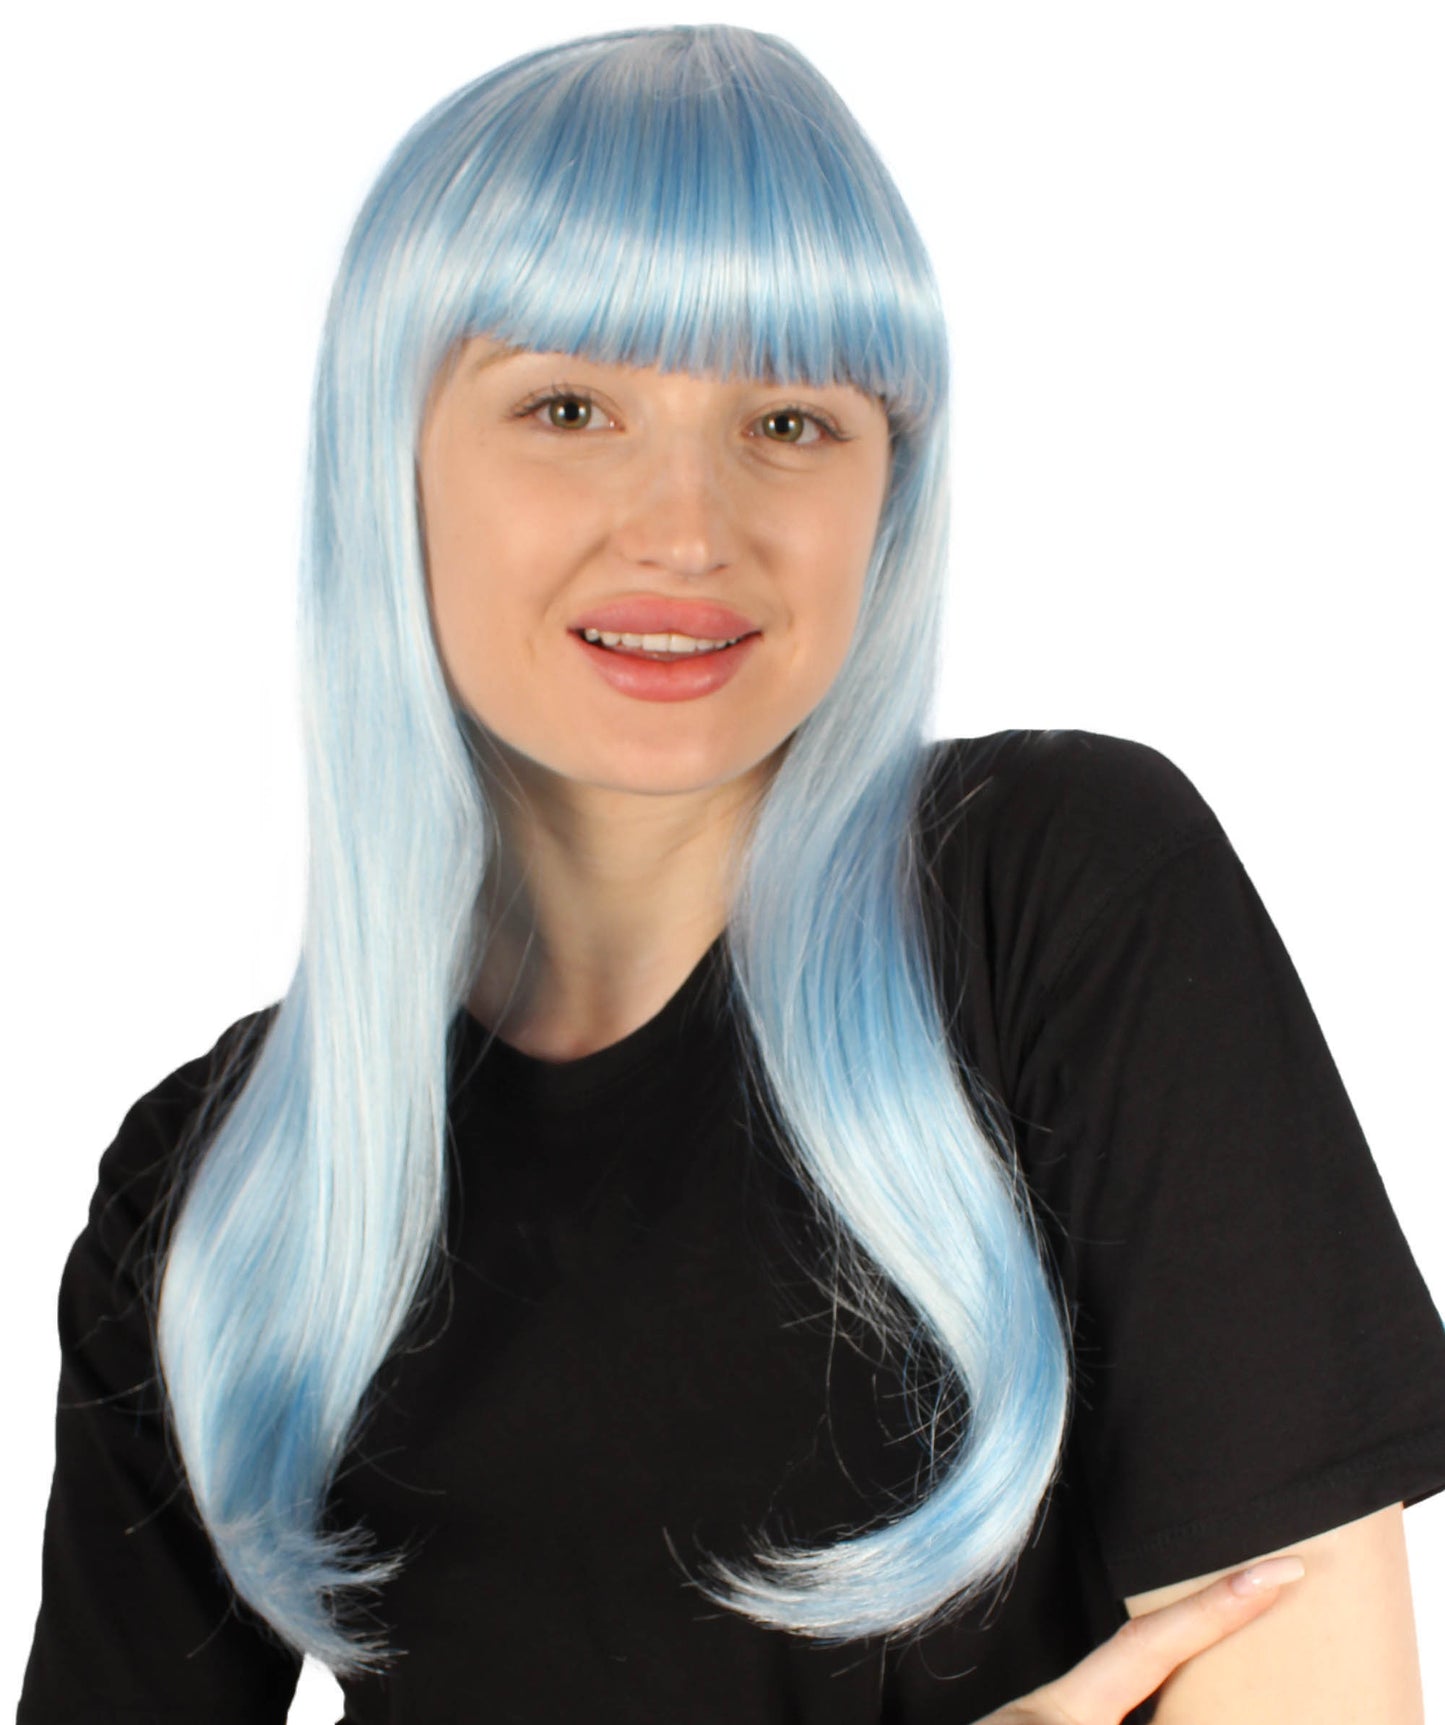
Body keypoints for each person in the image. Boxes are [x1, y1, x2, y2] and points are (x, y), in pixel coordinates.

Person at [16, 23, 1445, 1725]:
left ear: (886, 495)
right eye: (569, 406)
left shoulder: (1061, 903)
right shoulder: (217, 1193)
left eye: (787, 418)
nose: (687, 527)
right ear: (385, 463)